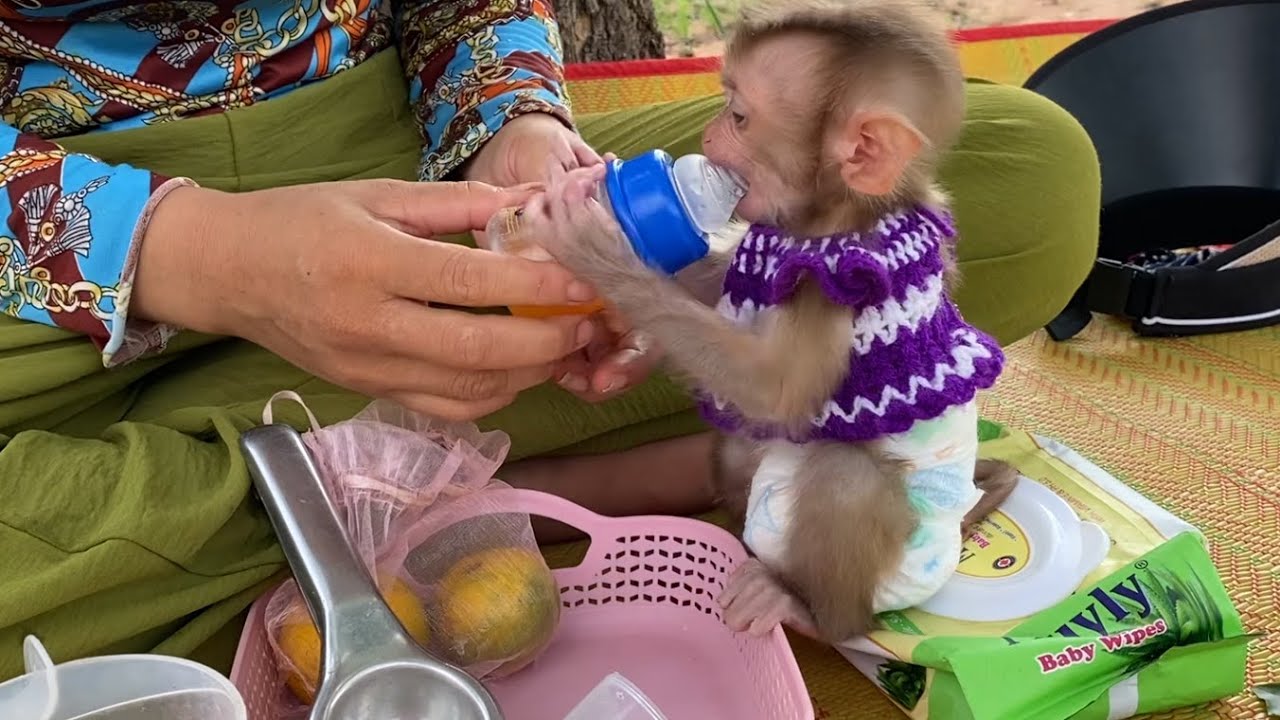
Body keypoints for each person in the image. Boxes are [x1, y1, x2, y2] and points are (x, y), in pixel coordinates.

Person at [0, 0, 1100, 680]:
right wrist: (192, 256)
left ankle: (315, 491)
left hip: (376, 139)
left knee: (1024, 177)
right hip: (36, 237)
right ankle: (392, 481)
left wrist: (512, 129)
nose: (717, 140)